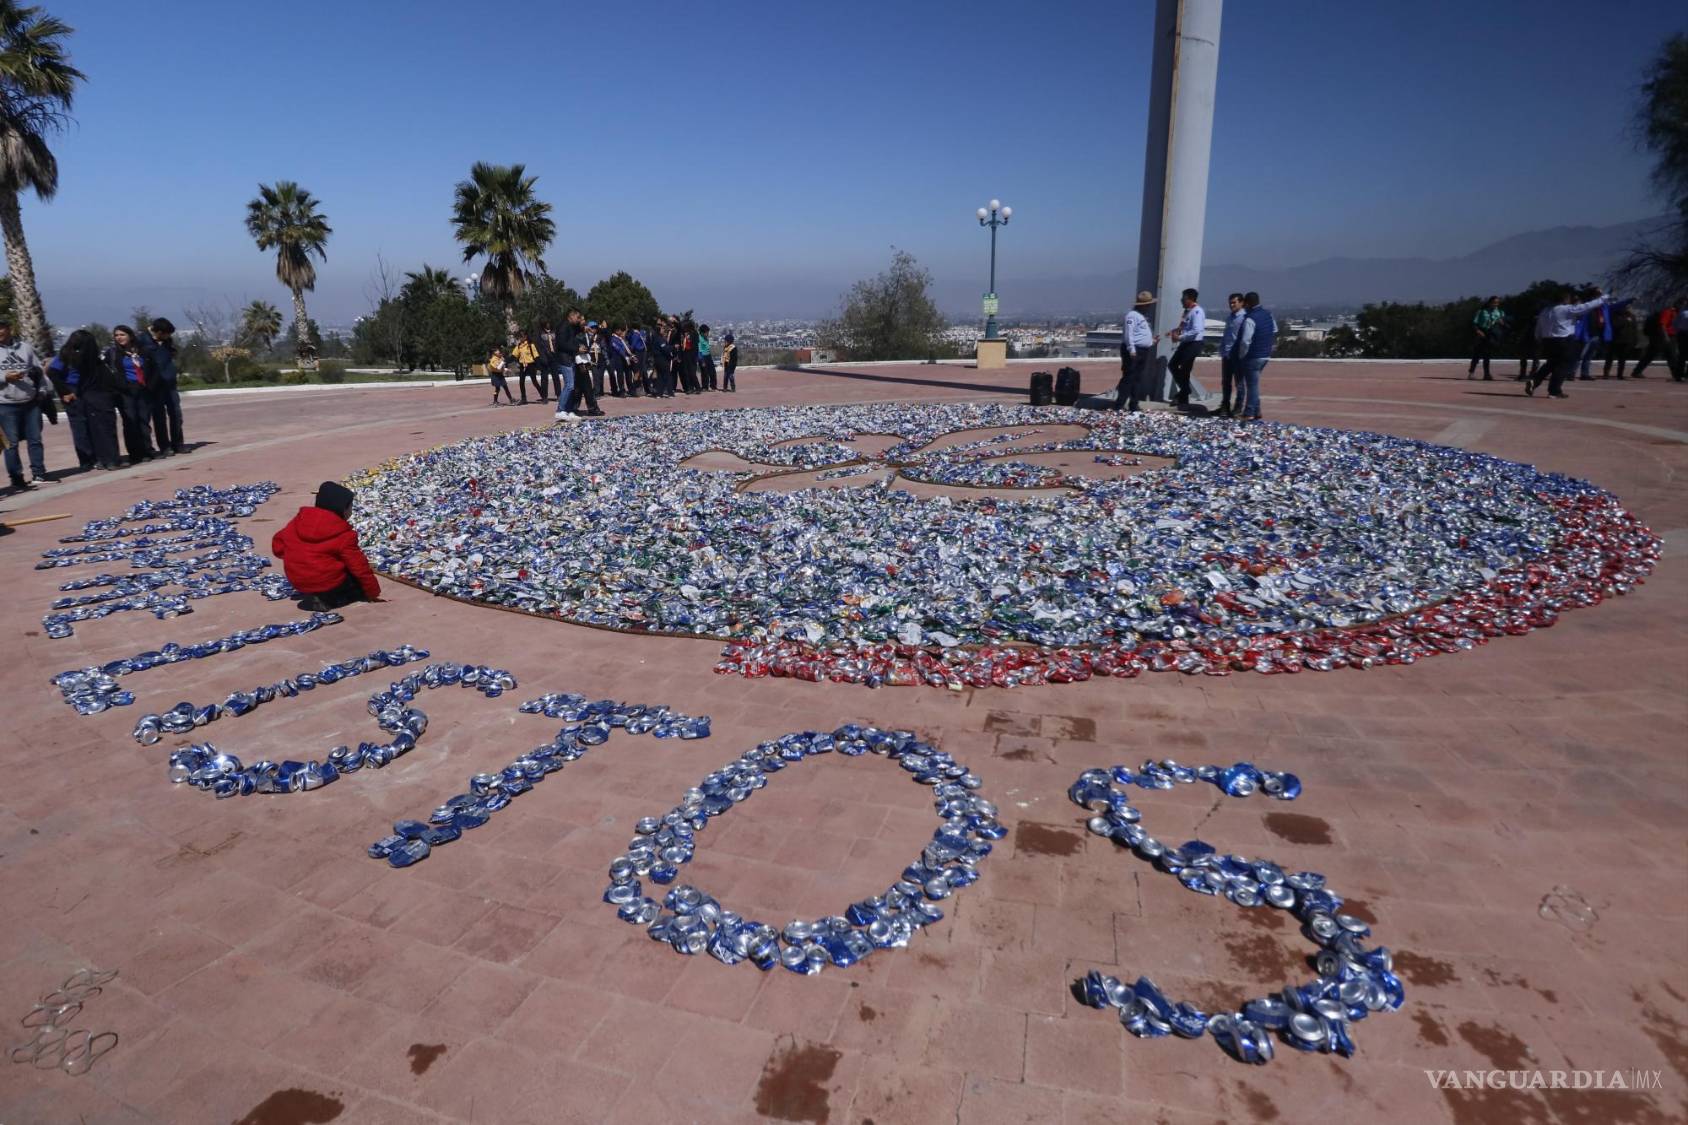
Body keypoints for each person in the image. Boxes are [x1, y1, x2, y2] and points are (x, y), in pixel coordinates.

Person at [271, 481, 383, 610]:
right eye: (350, 507)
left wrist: (298, 557)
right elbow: (359, 567)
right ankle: (329, 600)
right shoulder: (344, 534)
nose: (351, 511)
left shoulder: (298, 521)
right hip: (326, 582)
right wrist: (373, 592)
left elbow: (277, 547)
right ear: (342, 509)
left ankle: (318, 593)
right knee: (355, 584)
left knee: (326, 566)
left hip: (298, 581)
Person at [46, 329, 122, 471]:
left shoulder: (89, 355)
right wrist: (65, 391)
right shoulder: (65, 355)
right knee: (79, 426)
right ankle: (86, 459)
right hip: (72, 390)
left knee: (93, 425)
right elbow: (52, 373)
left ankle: (99, 457)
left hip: (87, 390)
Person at [1525, 288, 1606, 399]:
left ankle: (1534, 381)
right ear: (1565, 299)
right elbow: (1586, 306)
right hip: (1564, 340)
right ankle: (1554, 391)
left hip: (1547, 341)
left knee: (1551, 363)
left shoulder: (1545, 311)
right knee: (1563, 365)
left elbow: (1538, 327)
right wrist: (1603, 298)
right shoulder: (1566, 309)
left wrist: (1538, 338)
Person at [0, 317, 50, 490]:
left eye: (2, 327)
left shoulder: (25, 348)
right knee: (11, 444)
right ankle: (16, 478)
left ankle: (39, 473)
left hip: (30, 402)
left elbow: (38, 371)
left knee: (35, 439)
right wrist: (5, 377)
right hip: (5, 404)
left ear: (9, 329)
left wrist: (42, 391)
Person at [104, 325, 158, 464]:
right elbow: (106, 371)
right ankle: (135, 453)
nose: (119, 337)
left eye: (122, 334)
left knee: (144, 421)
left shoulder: (143, 351)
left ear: (130, 335)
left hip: (143, 389)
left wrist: (150, 385)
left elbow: (153, 369)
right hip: (125, 391)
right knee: (130, 422)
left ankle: (147, 450)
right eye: (116, 335)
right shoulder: (113, 353)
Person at [1232, 291, 1276, 421]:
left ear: (1247, 303)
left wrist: (1242, 355)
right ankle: (1257, 411)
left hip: (1253, 356)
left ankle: (1249, 412)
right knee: (1254, 383)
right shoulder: (1268, 314)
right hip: (1265, 354)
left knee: (1252, 386)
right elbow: (1274, 329)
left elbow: (1246, 340)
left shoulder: (1250, 319)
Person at [144, 317, 187, 453]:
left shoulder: (167, 341)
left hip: (170, 383)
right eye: (167, 334)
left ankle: (178, 443)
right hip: (155, 384)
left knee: (176, 414)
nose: (168, 337)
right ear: (159, 332)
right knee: (159, 417)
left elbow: (170, 354)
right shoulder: (143, 340)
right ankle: (165, 446)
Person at [1112, 291, 1157, 412]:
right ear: (1144, 305)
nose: (1149, 307)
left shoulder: (1140, 316)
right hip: (1134, 350)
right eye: (1148, 305)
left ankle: (1134, 403)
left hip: (1142, 350)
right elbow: (1129, 333)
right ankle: (1119, 404)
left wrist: (1151, 341)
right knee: (1129, 377)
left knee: (1137, 378)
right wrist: (1131, 349)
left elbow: (1139, 334)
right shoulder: (1132, 316)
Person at [1166, 288, 1205, 406]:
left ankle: (1184, 394)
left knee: (1185, 369)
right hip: (1186, 343)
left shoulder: (1197, 311)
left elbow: (1196, 330)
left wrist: (1180, 337)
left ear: (1190, 299)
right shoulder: (1188, 311)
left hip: (1193, 343)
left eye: (1183, 298)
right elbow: (1185, 327)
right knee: (1173, 365)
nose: (1181, 300)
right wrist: (1174, 332)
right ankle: (1184, 392)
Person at [1215, 293, 1246, 417]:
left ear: (1241, 303)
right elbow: (1226, 335)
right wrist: (1222, 349)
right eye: (1230, 303)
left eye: (1234, 302)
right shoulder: (1230, 318)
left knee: (1239, 383)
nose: (1231, 305)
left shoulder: (1244, 318)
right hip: (1227, 354)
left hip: (1237, 355)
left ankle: (1238, 408)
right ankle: (1225, 406)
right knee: (1226, 382)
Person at [1469, 296, 1505, 381]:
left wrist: (1502, 323)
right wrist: (1478, 331)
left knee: (1487, 355)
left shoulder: (1500, 312)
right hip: (1482, 333)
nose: (1495, 304)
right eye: (1494, 302)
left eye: (1497, 303)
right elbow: (1474, 323)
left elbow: (1503, 324)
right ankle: (1471, 373)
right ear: (1489, 303)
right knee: (1477, 354)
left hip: (1491, 334)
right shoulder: (1482, 311)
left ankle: (1486, 374)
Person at [536, 319, 571, 405]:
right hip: (544, 358)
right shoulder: (540, 333)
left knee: (556, 376)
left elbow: (558, 343)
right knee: (544, 378)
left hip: (554, 356)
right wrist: (542, 357)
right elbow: (538, 346)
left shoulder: (554, 332)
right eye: (547, 323)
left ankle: (558, 395)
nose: (548, 325)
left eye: (549, 323)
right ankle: (544, 397)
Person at [1603, 305, 1639, 379]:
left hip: (1626, 340)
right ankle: (1606, 373)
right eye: (1626, 307)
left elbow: (1634, 328)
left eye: (1629, 307)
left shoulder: (1632, 316)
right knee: (1610, 357)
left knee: (1622, 359)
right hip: (1616, 340)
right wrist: (1625, 320)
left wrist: (1634, 339)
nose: (1628, 309)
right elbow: (1615, 325)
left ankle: (1620, 374)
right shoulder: (1615, 315)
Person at [698, 323, 717, 391]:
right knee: (705, 372)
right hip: (703, 357)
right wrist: (702, 361)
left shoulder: (705, 338)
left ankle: (713, 386)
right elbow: (699, 351)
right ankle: (705, 387)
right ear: (702, 332)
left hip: (708, 356)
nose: (708, 334)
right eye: (706, 332)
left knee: (712, 371)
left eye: (708, 332)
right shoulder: (699, 339)